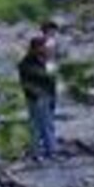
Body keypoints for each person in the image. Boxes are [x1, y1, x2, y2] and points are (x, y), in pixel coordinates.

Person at [18, 21, 59, 159]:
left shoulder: (46, 61)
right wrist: (36, 96)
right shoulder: (27, 64)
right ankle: (44, 151)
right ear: (36, 48)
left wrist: (52, 95)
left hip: (44, 96)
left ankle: (44, 150)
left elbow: (52, 79)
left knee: (44, 124)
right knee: (41, 125)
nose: (45, 49)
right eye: (42, 47)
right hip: (36, 98)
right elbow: (27, 83)